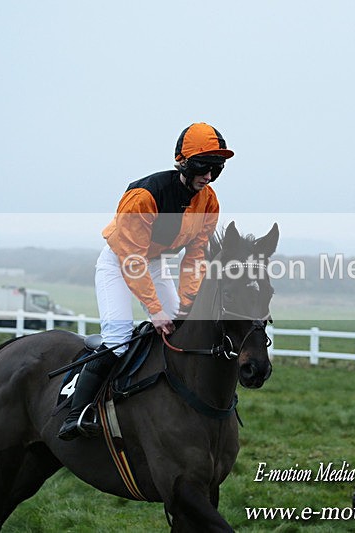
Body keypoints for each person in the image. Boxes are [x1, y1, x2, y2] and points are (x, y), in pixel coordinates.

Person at [58, 122, 233, 440]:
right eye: (203, 167)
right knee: (119, 339)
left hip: (153, 263)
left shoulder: (209, 202)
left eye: (216, 169)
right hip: (119, 262)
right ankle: (77, 412)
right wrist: (154, 308)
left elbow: (194, 257)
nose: (208, 176)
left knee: (180, 327)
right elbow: (131, 260)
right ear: (183, 162)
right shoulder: (143, 196)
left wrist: (188, 304)